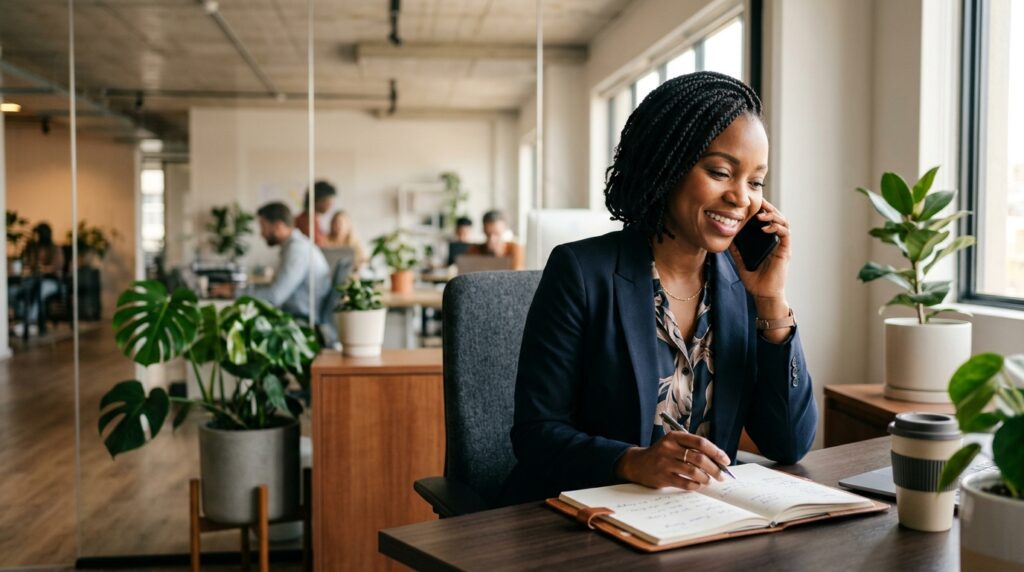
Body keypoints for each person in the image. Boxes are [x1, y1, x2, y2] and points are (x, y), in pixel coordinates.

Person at [501, 72, 816, 505]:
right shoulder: (580, 271)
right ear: (666, 167)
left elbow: (789, 443)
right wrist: (631, 461)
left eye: (756, 182)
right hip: (588, 517)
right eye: (721, 172)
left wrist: (771, 301)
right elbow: (536, 435)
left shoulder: (743, 286)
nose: (742, 198)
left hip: (699, 520)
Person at [248, 202, 330, 321]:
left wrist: (236, 293)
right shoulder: (294, 246)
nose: (262, 234)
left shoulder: (297, 250)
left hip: (302, 321)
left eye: (263, 227)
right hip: (295, 314)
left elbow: (274, 296)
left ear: (278, 226)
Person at [11, 222, 65, 327]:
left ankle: (31, 320)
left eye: (38, 234)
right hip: (33, 279)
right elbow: (27, 265)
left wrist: (44, 269)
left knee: (40, 289)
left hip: (52, 282)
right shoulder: (32, 249)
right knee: (15, 290)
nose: (35, 237)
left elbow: (57, 266)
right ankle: (22, 316)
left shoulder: (56, 249)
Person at [294, 180, 336, 247]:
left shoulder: (314, 218)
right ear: (318, 201)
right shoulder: (306, 220)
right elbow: (318, 244)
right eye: (328, 202)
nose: (330, 206)